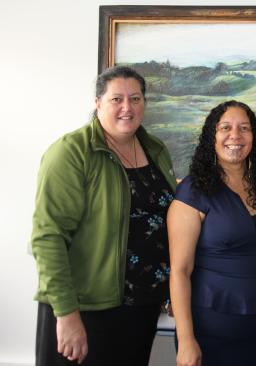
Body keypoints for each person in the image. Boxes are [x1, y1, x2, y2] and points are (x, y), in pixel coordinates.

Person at [31, 66, 177, 365]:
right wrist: (67, 315)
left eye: (135, 98)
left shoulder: (155, 149)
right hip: (85, 309)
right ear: (98, 103)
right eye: (116, 99)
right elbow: (48, 238)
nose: (127, 107)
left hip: (139, 310)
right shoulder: (72, 152)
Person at [168, 100, 256, 366]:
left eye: (244, 128)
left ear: (254, 138)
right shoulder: (193, 191)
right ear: (213, 136)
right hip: (206, 329)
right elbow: (179, 271)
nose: (235, 135)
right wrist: (186, 339)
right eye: (226, 128)